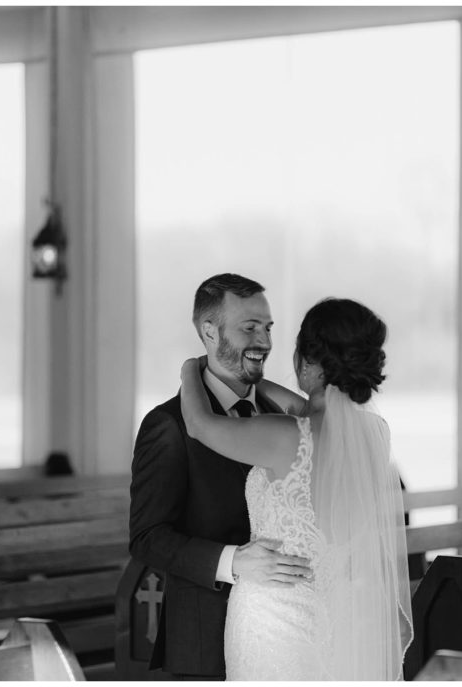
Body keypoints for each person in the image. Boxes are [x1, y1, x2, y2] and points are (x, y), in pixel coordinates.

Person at [179, 297, 413, 681]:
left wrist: (194, 368)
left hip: (274, 622)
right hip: (341, 617)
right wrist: (252, 380)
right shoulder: (374, 434)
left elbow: (199, 424)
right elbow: (311, 412)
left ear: (308, 362)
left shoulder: (282, 436)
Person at [129, 273, 313, 680]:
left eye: (267, 328)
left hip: (290, 632)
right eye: (249, 327)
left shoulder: (287, 416)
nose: (263, 341)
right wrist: (233, 562)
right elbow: (146, 538)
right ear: (209, 332)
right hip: (205, 637)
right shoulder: (169, 424)